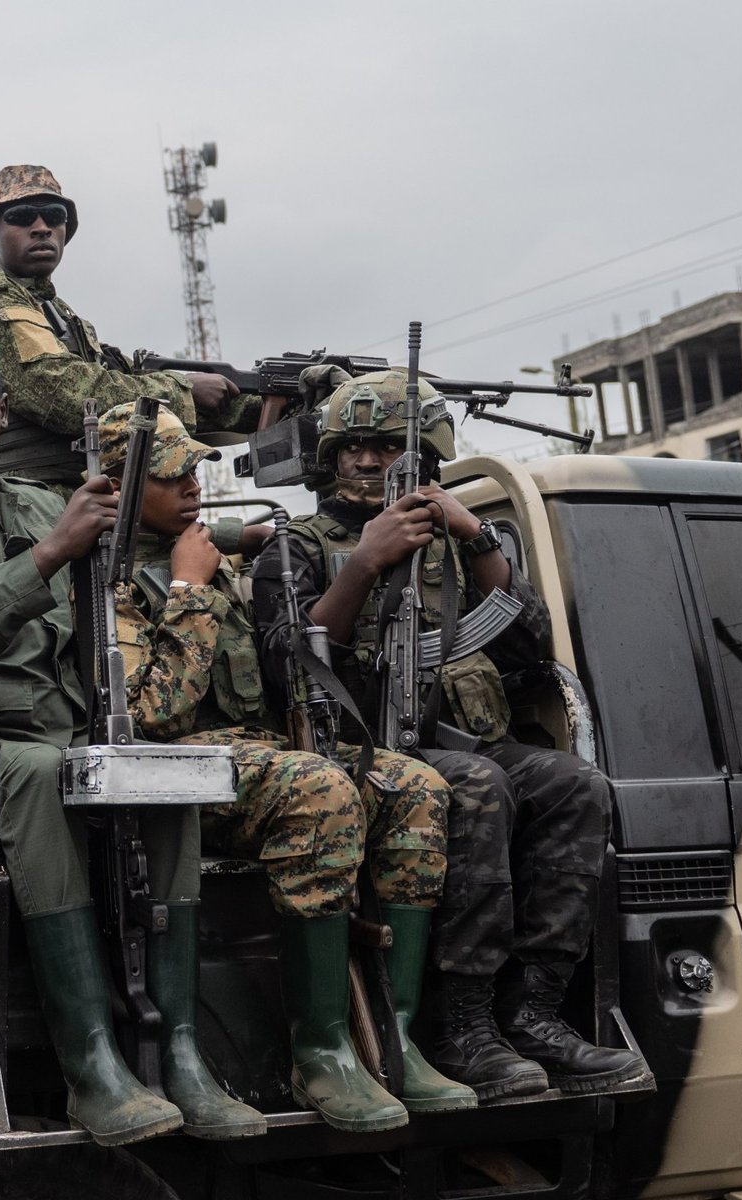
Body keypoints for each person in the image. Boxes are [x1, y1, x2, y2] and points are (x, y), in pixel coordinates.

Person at [0, 332, 263, 1145]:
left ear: (2, 411)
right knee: (39, 776)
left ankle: (179, 1051)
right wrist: (46, 558)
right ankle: (93, 1068)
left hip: (67, 730)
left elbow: (122, 584)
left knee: (161, 774)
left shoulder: (48, 503)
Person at [253, 368, 652, 1100]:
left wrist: (477, 539)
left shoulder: (454, 551)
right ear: (331, 457)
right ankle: (463, 1025)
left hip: (449, 736)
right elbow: (287, 669)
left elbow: (529, 652)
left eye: (386, 449)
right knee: (479, 785)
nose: (370, 463)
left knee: (573, 783)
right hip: (353, 749)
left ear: (427, 461)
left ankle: (533, 1012)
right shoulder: (298, 547)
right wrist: (367, 563)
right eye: (354, 449)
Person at [97, 402, 470, 1132]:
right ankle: (323, 1049)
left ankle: (394, 1039)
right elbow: (156, 712)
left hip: (256, 751)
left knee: (416, 786)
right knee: (321, 789)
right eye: (174, 475)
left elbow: (261, 558)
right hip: (174, 768)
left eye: (197, 468)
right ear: (120, 486)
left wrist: (238, 547)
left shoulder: (206, 544)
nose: (195, 485)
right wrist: (187, 589)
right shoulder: (106, 578)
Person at [0, 165, 248, 492]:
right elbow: (62, 393)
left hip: (62, 491)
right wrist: (181, 390)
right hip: (19, 501)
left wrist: (260, 399)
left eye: (54, 217)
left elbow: (116, 374)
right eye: (22, 216)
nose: (41, 227)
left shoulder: (58, 314)